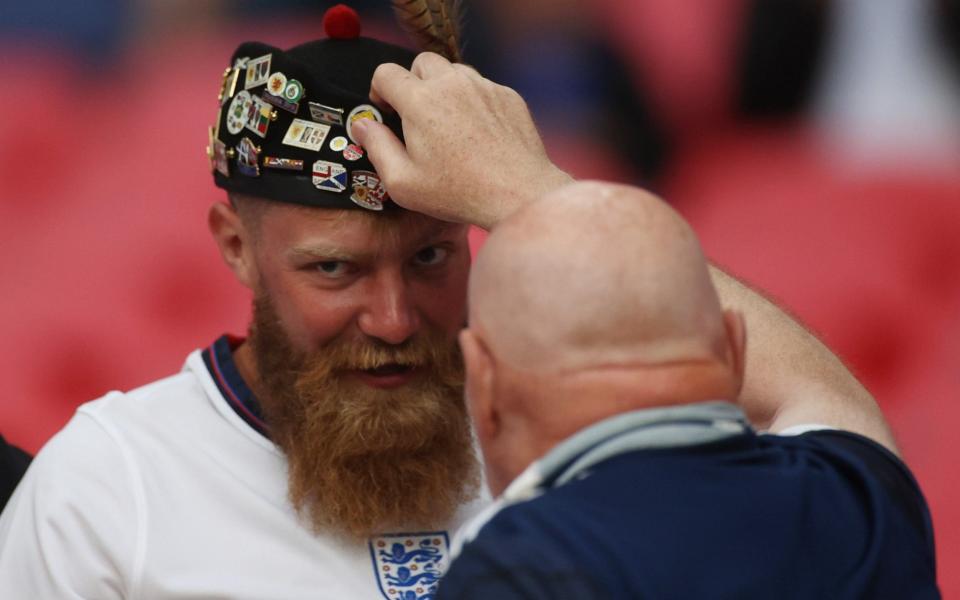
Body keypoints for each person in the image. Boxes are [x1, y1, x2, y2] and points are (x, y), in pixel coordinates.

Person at [350, 53, 941, 598]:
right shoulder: (863, 503)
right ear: (733, 349)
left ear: (483, 381)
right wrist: (531, 186)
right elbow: (820, 390)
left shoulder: (516, 572)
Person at [0, 8, 485, 599]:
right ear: (237, 247)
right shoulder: (107, 489)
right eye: (333, 268)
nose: (393, 319)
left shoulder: (554, 444)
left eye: (429, 259)